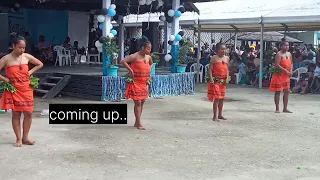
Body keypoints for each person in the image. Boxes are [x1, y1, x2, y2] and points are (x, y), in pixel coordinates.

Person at [0, 34, 43, 147]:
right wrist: (5, 80)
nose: (22, 50)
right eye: (20, 47)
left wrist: (30, 72)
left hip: (26, 88)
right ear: (13, 46)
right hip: (14, 90)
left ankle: (25, 137)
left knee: (28, 113)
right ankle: (18, 139)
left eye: (24, 47)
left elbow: (39, 64)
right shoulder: (6, 59)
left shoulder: (26, 56)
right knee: (16, 114)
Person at [121, 37, 153, 130]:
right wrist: (130, 69)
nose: (149, 50)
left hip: (144, 82)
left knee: (142, 102)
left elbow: (151, 64)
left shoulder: (148, 57)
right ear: (142, 47)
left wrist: (148, 72)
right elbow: (123, 61)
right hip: (136, 82)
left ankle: (137, 121)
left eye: (150, 48)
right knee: (138, 102)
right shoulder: (135, 56)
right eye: (148, 48)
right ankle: (139, 123)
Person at [207, 43, 230, 121]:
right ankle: (215, 116)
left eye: (224, 49)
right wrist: (211, 79)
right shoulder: (214, 58)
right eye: (222, 49)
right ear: (217, 50)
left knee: (222, 98)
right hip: (216, 80)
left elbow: (227, 69)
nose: (223, 51)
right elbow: (210, 69)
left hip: (223, 81)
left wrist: (227, 78)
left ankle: (220, 115)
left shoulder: (227, 58)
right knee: (216, 98)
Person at [269, 41, 293, 113]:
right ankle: (277, 108)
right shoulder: (279, 54)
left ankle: (285, 108)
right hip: (279, 75)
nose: (287, 47)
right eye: (285, 45)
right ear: (281, 46)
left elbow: (291, 63)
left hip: (286, 75)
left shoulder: (289, 54)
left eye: (288, 45)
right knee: (278, 91)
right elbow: (277, 65)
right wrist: (285, 71)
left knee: (286, 92)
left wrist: (291, 71)